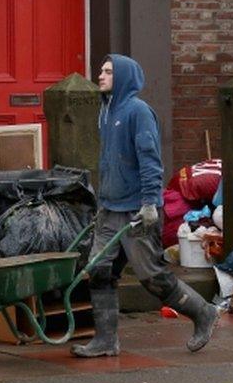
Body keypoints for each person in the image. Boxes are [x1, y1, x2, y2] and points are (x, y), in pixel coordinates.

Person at [71, 54, 219, 358]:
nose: (100, 76)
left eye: (108, 72)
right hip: (111, 209)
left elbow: (151, 161)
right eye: (101, 70)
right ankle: (105, 340)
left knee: (151, 276)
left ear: (123, 77)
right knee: (99, 270)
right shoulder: (106, 111)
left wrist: (151, 203)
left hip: (136, 210)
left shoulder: (138, 112)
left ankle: (203, 312)